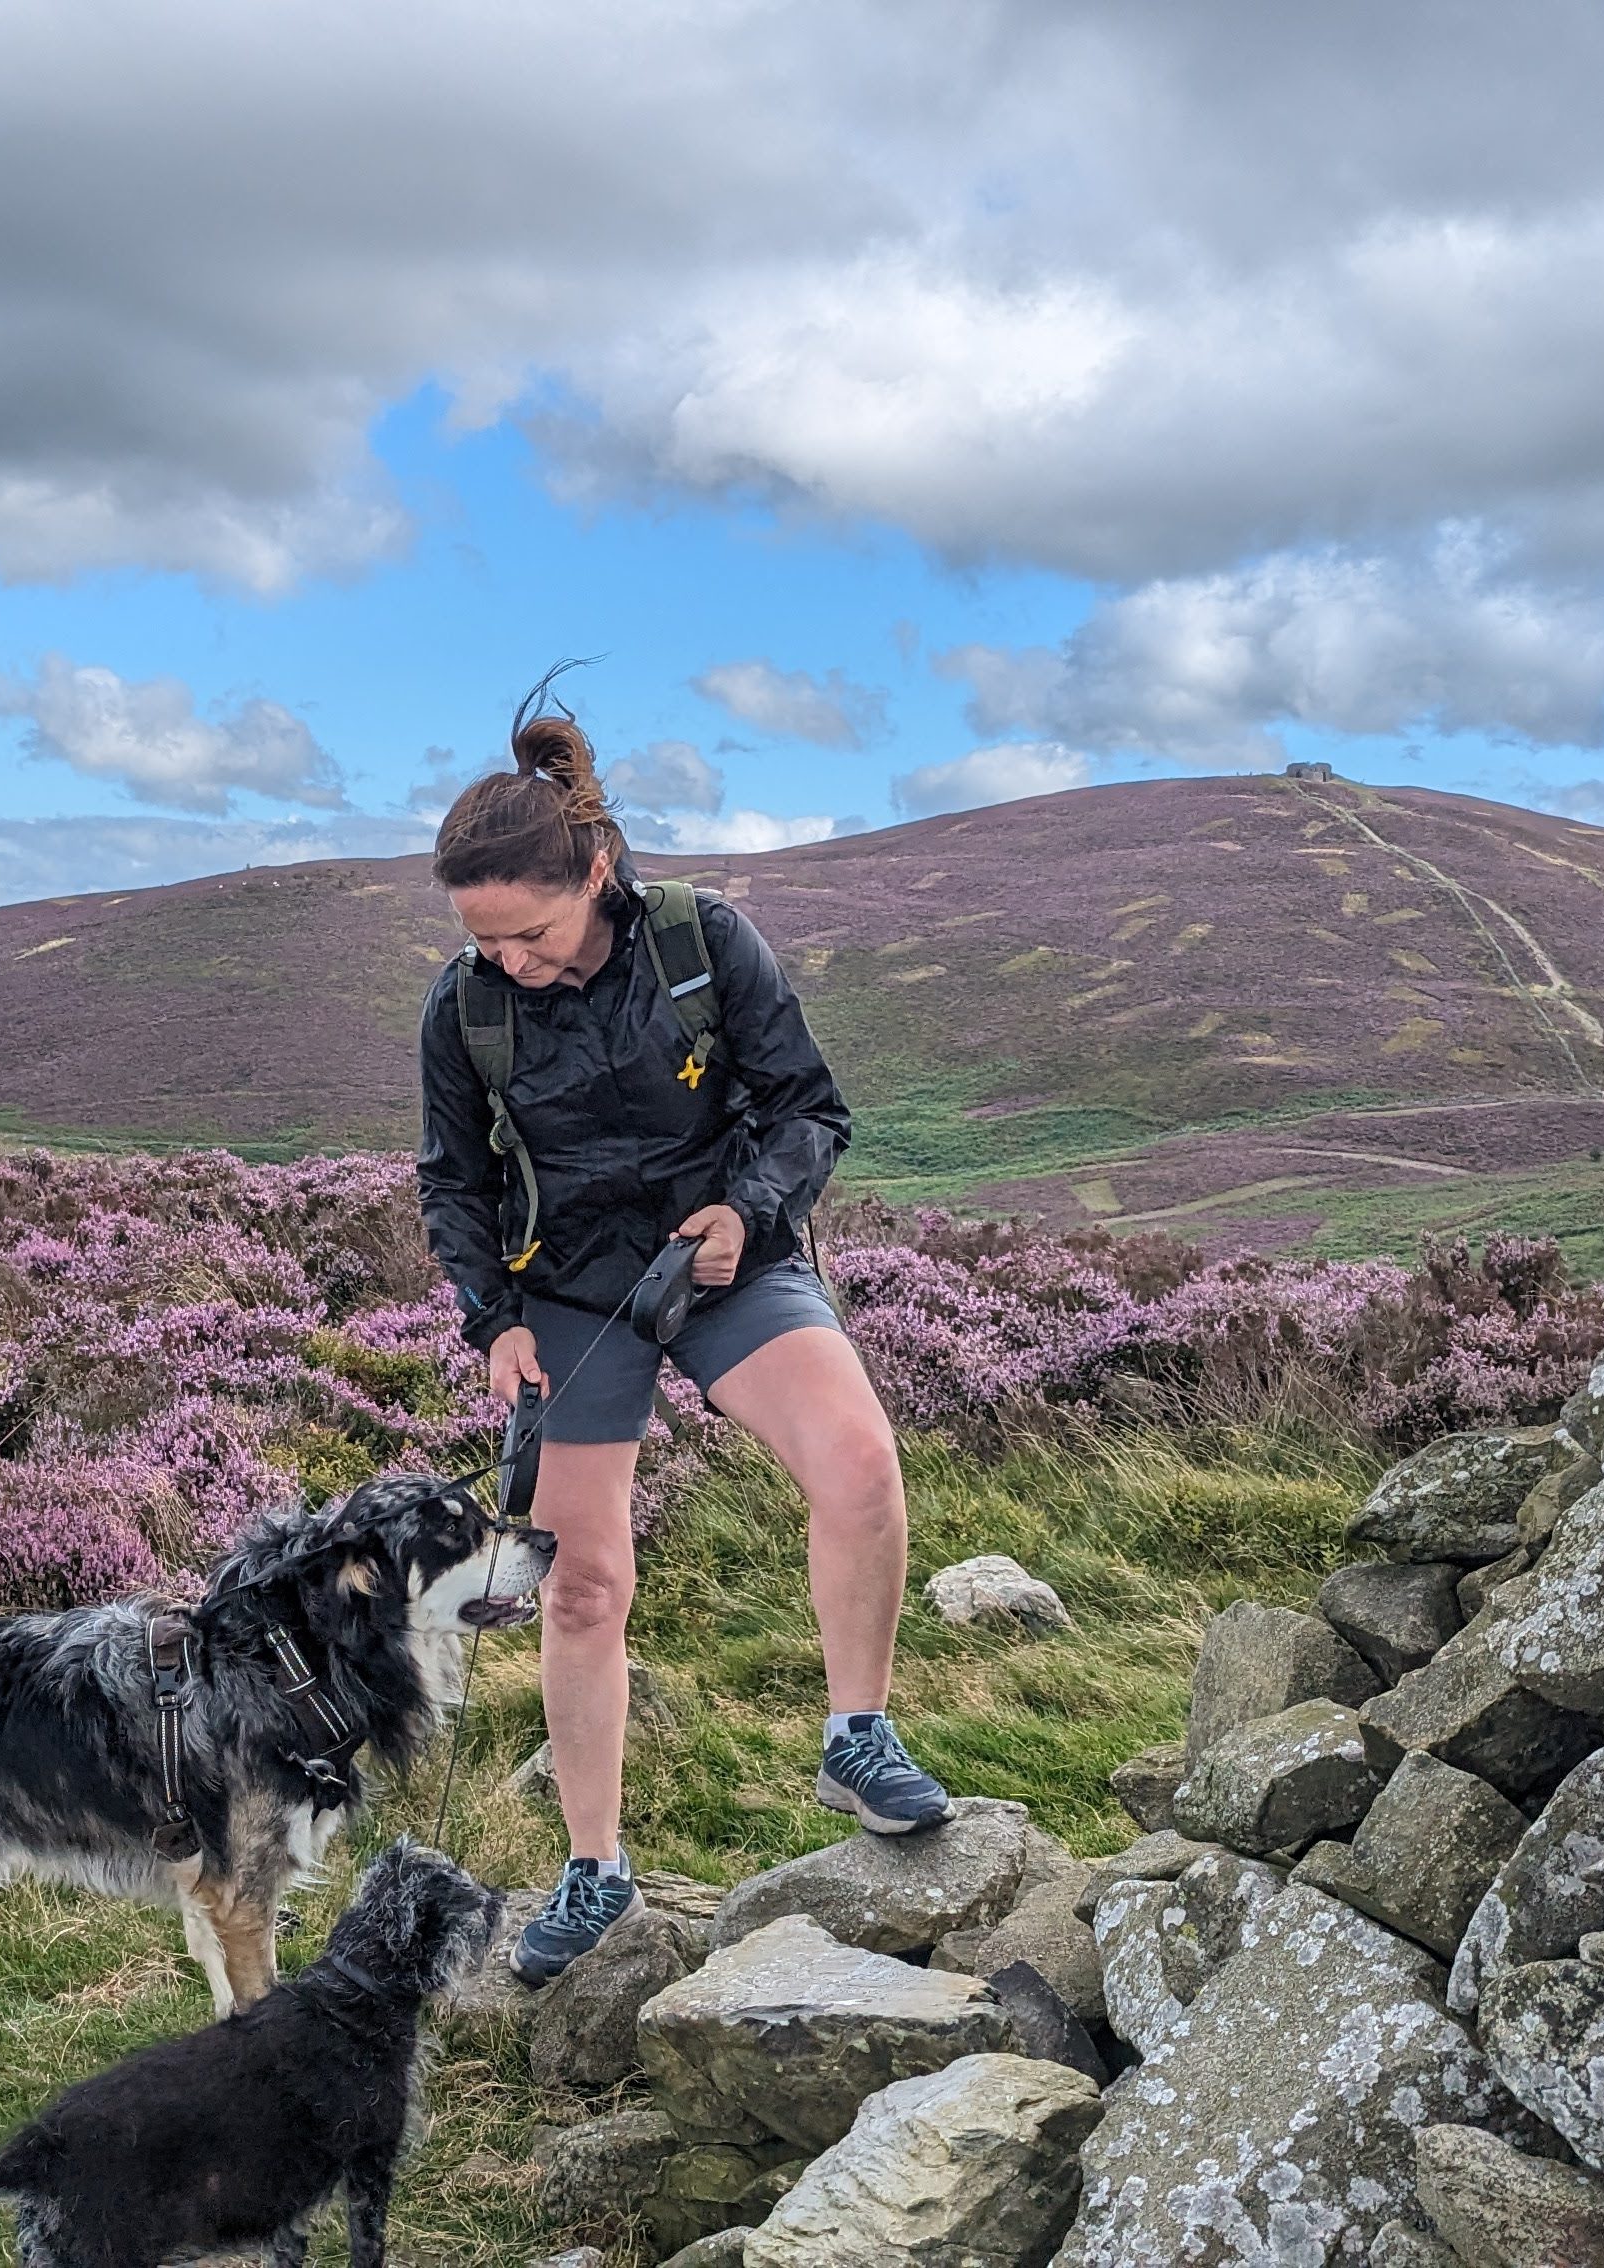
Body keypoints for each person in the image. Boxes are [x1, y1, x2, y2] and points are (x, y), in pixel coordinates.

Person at [415, 679, 951, 1986]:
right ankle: (595, 1875)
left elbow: (809, 1111)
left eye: (530, 933)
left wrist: (744, 1210)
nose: (511, 962)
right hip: (569, 1298)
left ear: (594, 871)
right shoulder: (465, 1009)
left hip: (726, 1262)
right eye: (488, 942)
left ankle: (857, 1739)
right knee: (584, 1587)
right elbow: (453, 1181)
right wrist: (494, 1320)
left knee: (860, 1467)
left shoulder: (703, 943)